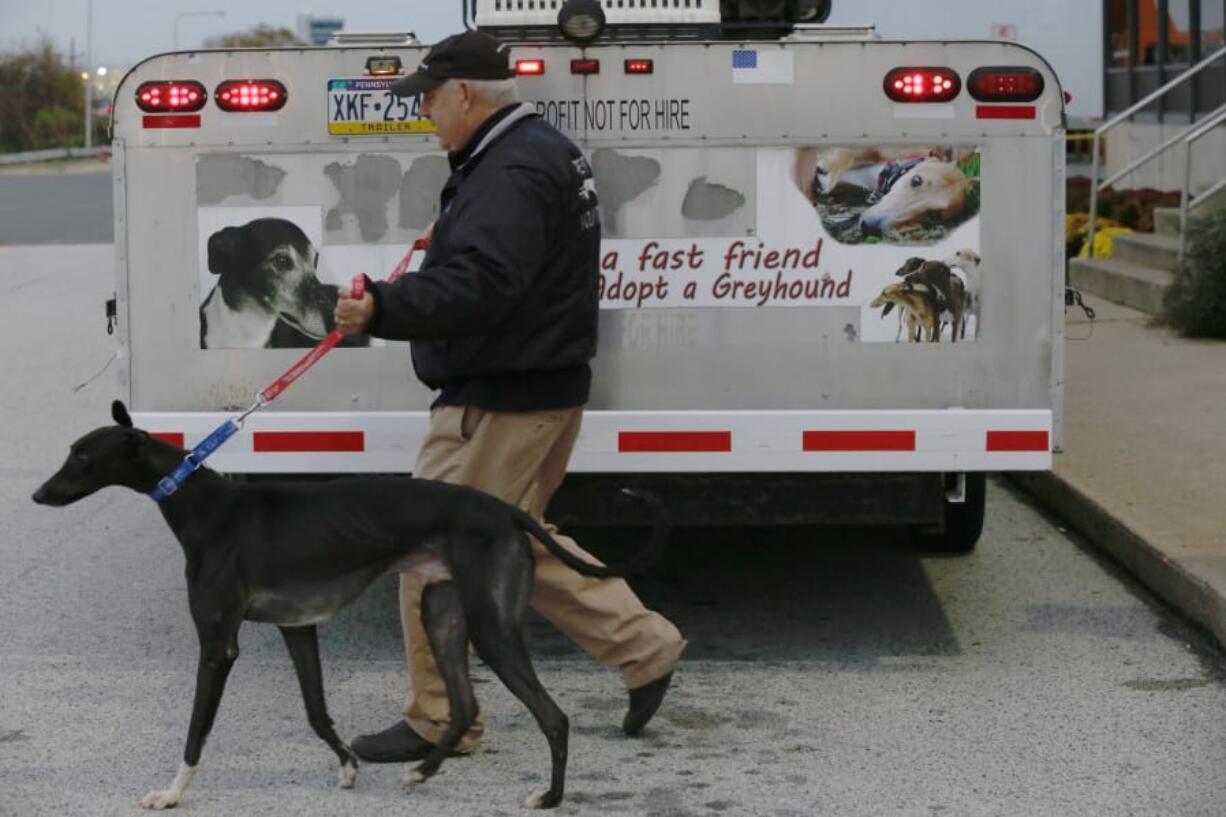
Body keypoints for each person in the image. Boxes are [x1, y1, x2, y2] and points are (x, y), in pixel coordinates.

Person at [333, 30, 686, 763]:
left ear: (464, 94)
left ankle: (442, 719)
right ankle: (645, 648)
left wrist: (383, 308)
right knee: (514, 542)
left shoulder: (511, 170)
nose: (424, 113)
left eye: (429, 98)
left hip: (500, 400)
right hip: (536, 388)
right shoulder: (533, 153)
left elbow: (485, 286)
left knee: (427, 550)